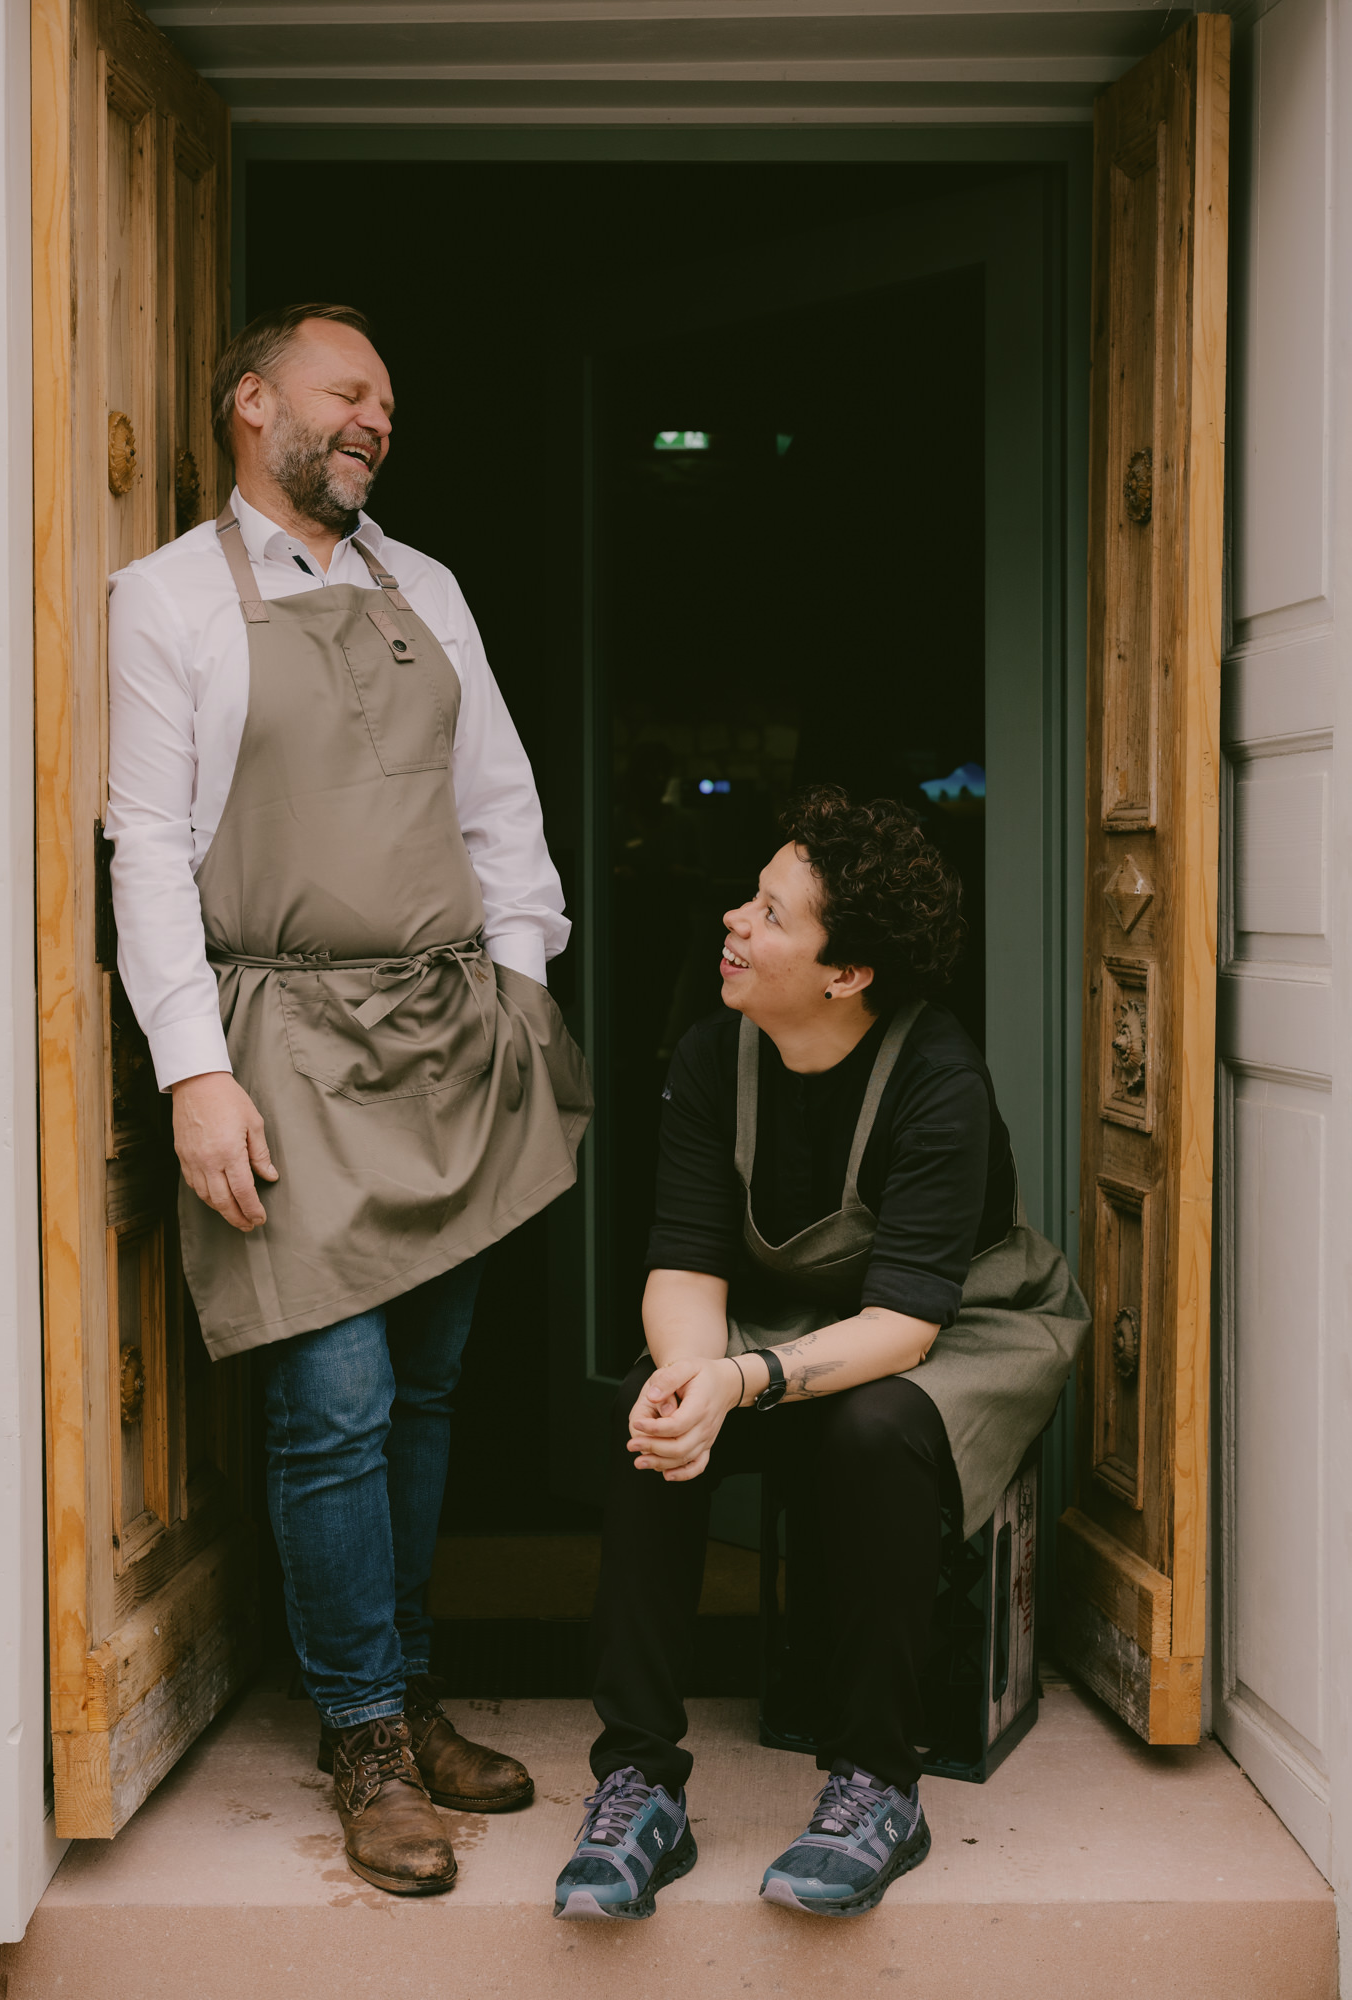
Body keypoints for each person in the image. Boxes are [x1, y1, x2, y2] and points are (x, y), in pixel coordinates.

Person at [106, 302, 591, 1896]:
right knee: (334, 1402)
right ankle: (364, 1735)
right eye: (347, 390)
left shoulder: (425, 588)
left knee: (429, 1392)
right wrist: (195, 1069)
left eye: (387, 400)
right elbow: (147, 851)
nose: (377, 416)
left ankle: (406, 1687)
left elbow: (500, 807)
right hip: (286, 1046)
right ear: (253, 403)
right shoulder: (169, 599)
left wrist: (521, 990)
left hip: (450, 1036)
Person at [553, 788, 1087, 1920]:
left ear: (846, 973)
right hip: (790, 1320)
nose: (734, 921)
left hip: (962, 1325)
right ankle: (639, 1781)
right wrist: (690, 1383)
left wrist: (742, 1380)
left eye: (771, 913)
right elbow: (686, 1261)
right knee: (649, 1415)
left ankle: (877, 1784)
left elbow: (905, 1325)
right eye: (750, 897)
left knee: (873, 1424)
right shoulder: (714, 1054)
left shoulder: (939, 1079)